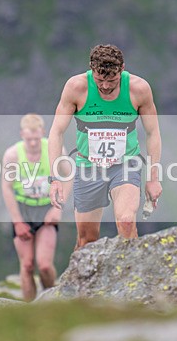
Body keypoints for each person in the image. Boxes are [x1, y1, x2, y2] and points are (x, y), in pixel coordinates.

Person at [48, 44, 162, 249]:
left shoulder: (139, 89)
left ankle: (132, 268)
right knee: (87, 239)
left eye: (112, 80)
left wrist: (153, 179)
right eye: (100, 80)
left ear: (122, 69)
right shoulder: (76, 87)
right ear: (91, 70)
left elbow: (153, 133)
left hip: (125, 164)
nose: (106, 86)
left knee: (126, 222)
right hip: (88, 166)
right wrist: (55, 178)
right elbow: (56, 132)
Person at [1, 113, 68, 301]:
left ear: (42, 133)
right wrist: (17, 222)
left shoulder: (55, 150)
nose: (32, 143)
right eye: (28, 139)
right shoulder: (12, 155)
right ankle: (29, 308)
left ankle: (50, 300)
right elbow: (6, 187)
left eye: (36, 139)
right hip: (23, 210)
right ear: (22, 134)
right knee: (27, 265)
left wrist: (57, 208)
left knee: (44, 265)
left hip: (46, 208)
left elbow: (70, 176)